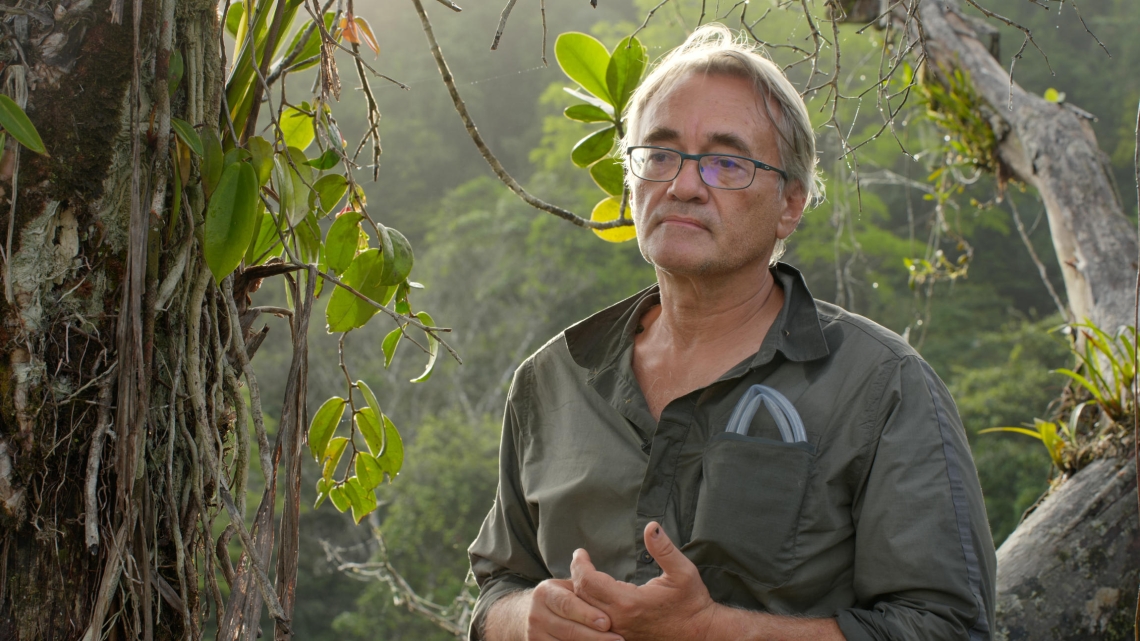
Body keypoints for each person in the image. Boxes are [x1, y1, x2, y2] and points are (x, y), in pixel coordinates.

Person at [467, 24, 995, 641]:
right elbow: (497, 587)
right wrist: (523, 620)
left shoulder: (881, 385)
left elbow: (948, 627)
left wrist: (710, 630)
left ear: (789, 204)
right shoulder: (552, 378)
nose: (683, 185)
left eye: (726, 162)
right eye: (660, 154)